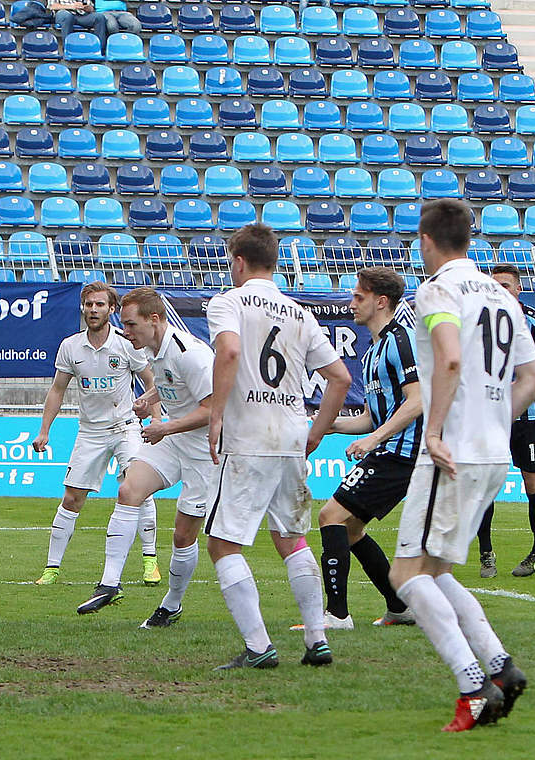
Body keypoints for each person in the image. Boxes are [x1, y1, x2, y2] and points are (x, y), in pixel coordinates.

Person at [388, 199, 535, 732]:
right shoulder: (502, 294)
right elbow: (534, 376)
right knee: (436, 570)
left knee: (404, 573)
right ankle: (502, 668)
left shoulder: (437, 289)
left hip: (450, 451)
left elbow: (450, 358)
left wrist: (433, 431)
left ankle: (471, 684)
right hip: (493, 450)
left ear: (427, 240)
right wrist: (497, 420)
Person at [204, 223, 352, 670]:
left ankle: (258, 646)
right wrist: (316, 432)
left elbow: (229, 352)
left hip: (249, 435)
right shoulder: (300, 312)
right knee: (292, 537)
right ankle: (316, 638)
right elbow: (340, 379)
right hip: (291, 433)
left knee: (223, 544)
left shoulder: (228, 301)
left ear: (238, 261)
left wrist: (215, 414)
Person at [74, 287, 214, 625]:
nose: (126, 331)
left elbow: (214, 409)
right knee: (128, 490)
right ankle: (109, 583)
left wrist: (164, 428)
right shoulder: (153, 348)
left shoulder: (190, 353)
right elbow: (170, 383)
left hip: (205, 451)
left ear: (154, 319)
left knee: (183, 535)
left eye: (131, 324)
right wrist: (148, 397)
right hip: (176, 440)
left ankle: (172, 604)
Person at [305, 267, 419, 631]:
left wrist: (375, 439)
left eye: (359, 296)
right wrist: (328, 425)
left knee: (330, 516)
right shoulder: (374, 350)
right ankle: (399, 607)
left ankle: (337, 615)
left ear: (380, 301)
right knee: (350, 529)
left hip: (403, 452)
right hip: (390, 447)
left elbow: (417, 400)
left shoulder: (402, 340)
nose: (351, 302)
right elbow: (372, 417)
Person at [33, 282, 161, 587]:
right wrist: (44, 431)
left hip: (126, 427)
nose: (94, 309)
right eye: (89, 304)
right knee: (72, 498)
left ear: (111, 310)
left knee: (136, 487)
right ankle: (52, 568)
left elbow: (151, 381)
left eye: (100, 305)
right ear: (83, 307)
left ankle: (150, 560)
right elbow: (57, 389)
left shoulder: (126, 344)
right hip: (90, 432)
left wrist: (156, 420)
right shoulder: (71, 346)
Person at [475, 265, 535, 579]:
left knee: (533, 481)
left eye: (505, 285)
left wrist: (529, 384)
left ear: (518, 289)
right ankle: (486, 553)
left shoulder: (533, 321)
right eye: (493, 286)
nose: (498, 291)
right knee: (485, 483)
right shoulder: (479, 324)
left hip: (528, 418)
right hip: (489, 416)